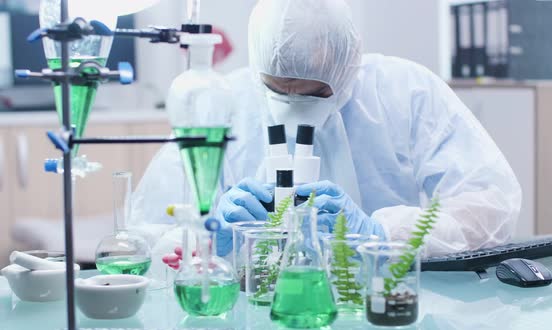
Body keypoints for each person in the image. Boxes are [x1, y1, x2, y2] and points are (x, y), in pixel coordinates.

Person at [132, 0, 521, 260]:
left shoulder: (406, 92)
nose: (293, 107)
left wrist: (383, 235)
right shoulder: (220, 102)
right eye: (276, 90)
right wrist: (209, 237)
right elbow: (146, 234)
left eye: (315, 93)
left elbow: (490, 206)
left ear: (348, 62)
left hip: (381, 301)